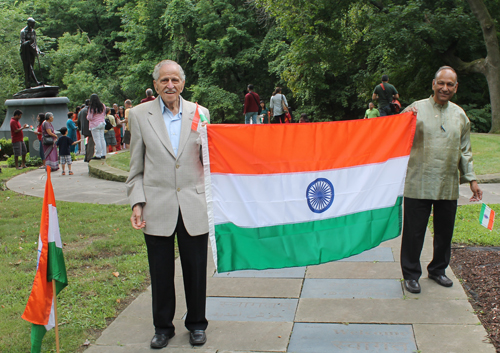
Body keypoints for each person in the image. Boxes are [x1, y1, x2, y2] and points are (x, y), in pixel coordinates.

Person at [127, 59, 210, 349]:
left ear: (183, 83)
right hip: (157, 206)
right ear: (155, 85)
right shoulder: (138, 115)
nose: (170, 85)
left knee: (196, 270)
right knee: (160, 272)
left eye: (175, 80)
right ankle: (163, 327)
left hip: (194, 205)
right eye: (164, 80)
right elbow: (135, 168)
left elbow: (210, 163)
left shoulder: (201, 113)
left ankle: (197, 324)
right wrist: (137, 203)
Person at [400, 66, 482, 294]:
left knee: (445, 231)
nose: (444, 88)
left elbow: (465, 150)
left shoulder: (460, 115)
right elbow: (395, 135)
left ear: (456, 88)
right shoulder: (415, 110)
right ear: (433, 84)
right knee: (414, 232)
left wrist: (472, 180)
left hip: (447, 184)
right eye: (441, 83)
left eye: (450, 85)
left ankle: (438, 269)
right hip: (418, 182)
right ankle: (411, 274)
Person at [20, 17, 43, 88]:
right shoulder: (23, 31)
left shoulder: (33, 31)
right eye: (32, 24)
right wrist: (29, 42)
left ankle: (34, 82)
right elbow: (23, 43)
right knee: (27, 67)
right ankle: (29, 83)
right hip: (25, 51)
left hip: (31, 51)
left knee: (31, 67)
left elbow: (35, 43)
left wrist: (38, 51)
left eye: (34, 24)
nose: (33, 25)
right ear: (28, 23)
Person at [86, 94, 107, 159]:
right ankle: (103, 153)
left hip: (95, 125)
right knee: (102, 139)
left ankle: (98, 154)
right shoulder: (102, 105)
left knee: (97, 140)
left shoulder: (92, 107)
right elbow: (104, 114)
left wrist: (87, 116)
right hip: (102, 123)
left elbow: (90, 117)